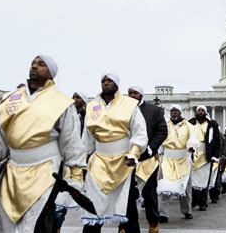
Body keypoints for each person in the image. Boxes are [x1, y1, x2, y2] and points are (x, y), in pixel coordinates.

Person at [0, 55, 86, 232]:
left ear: (51, 73)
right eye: (33, 63)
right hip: (13, 170)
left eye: (41, 64)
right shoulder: (9, 99)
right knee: (5, 219)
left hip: (45, 170)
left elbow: (72, 142)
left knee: (38, 221)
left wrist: (75, 175)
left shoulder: (62, 103)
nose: (34, 66)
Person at [81, 73, 148, 233]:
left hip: (123, 162)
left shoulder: (130, 104)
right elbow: (87, 137)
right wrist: (81, 160)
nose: (105, 83)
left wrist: (134, 153)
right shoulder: (91, 106)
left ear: (117, 84)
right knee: (94, 204)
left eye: (109, 80)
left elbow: (139, 131)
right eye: (103, 80)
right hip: (98, 163)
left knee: (128, 206)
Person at [128, 86, 167, 233]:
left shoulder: (153, 110)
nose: (132, 95)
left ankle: (153, 222)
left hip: (147, 158)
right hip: (128, 159)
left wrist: (151, 147)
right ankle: (125, 224)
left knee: (149, 193)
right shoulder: (123, 109)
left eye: (135, 93)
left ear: (141, 95)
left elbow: (162, 130)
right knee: (127, 194)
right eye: (130, 93)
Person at [53, 91, 88, 233]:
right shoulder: (65, 115)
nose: (74, 99)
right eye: (73, 97)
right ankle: (57, 227)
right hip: (67, 161)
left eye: (78, 97)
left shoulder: (88, 117)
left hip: (85, 160)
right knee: (60, 199)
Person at [157, 104, 198, 223]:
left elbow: (193, 138)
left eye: (176, 111)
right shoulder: (164, 125)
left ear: (180, 113)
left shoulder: (189, 126)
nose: (173, 113)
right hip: (167, 159)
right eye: (172, 111)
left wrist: (191, 146)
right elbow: (160, 137)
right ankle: (163, 213)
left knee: (184, 186)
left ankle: (187, 210)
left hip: (183, 159)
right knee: (164, 185)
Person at [189, 105, 221, 211]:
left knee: (204, 179)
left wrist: (215, 155)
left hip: (206, 154)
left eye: (202, 110)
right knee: (193, 180)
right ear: (196, 112)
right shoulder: (191, 123)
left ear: (206, 112)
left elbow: (217, 141)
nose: (200, 112)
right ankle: (194, 200)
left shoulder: (212, 124)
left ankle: (203, 202)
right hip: (193, 153)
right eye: (199, 110)